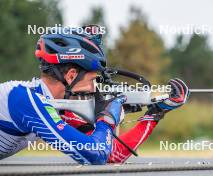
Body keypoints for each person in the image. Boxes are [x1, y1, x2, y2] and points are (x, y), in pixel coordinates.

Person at [0, 27, 189, 164]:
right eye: (92, 80)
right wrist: (106, 120)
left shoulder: (55, 106)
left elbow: (110, 156)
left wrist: (154, 115)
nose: (93, 89)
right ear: (71, 75)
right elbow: (94, 153)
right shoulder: (23, 99)